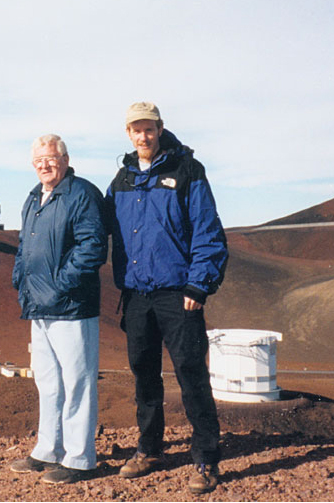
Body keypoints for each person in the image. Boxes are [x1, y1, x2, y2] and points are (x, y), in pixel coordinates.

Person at [105, 102, 229, 494]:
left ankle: (207, 458)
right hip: (137, 294)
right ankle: (150, 449)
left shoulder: (187, 171)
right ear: (128, 133)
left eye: (149, 129)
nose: (143, 136)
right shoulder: (122, 180)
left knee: (191, 375)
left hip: (178, 294)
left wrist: (198, 285)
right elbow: (101, 227)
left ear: (160, 129)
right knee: (144, 375)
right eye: (136, 130)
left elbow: (208, 231)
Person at [9, 133, 107, 485]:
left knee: (77, 381)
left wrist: (59, 285)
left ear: (65, 159)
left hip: (72, 306)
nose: (44, 165)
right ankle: (48, 450)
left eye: (50, 158)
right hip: (40, 306)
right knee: (47, 381)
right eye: (38, 161)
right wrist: (20, 279)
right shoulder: (35, 197)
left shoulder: (81, 194)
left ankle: (80, 459)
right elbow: (24, 246)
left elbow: (93, 247)